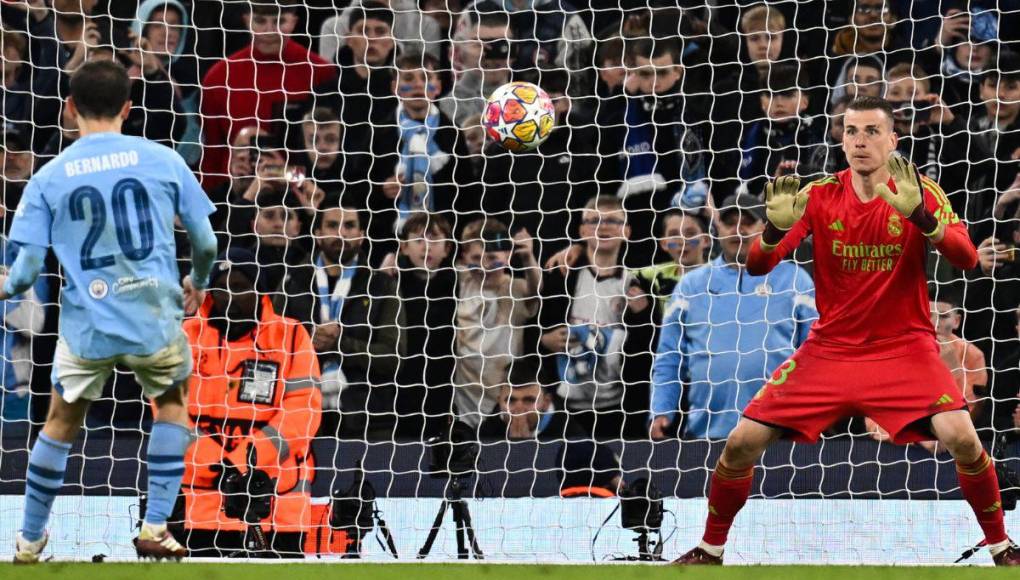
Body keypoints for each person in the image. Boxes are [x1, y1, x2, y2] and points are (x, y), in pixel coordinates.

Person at [673, 96, 1020, 566]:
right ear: (842, 139)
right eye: (851, 131)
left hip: (905, 348)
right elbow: (758, 265)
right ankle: (710, 550)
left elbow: (968, 257)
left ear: (893, 140)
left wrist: (922, 216)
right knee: (739, 444)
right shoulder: (818, 195)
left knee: (962, 438)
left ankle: (1003, 548)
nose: (860, 141)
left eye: (872, 131)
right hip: (829, 350)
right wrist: (774, 231)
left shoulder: (921, 191)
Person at [4, 60, 218, 562]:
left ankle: (30, 541)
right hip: (154, 318)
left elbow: (23, 273)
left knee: (59, 423)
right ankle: (156, 526)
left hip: (87, 328)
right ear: (128, 107)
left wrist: (5, 285)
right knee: (170, 407)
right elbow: (205, 242)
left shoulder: (48, 177)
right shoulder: (164, 159)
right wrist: (198, 282)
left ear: (69, 107)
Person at [178, 247, 321, 557]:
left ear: (260, 291)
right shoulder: (185, 336)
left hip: (276, 500)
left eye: (241, 286)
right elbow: (167, 409)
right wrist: (213, 460)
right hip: (198, 500)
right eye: (223, 286)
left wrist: (245, 460)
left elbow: (303, 410)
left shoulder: (292, 335)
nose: (231, 294)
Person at [650, 195, 816, 441]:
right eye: (730, 222)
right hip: (706, 435)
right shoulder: (690, 286)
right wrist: (662, 411)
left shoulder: (795, 280)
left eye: (747, 222)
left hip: (780, 435)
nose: (738, 230)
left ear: (764, 227)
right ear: (718, 228)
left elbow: (815, 354)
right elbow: (669, 358)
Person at [278, 203, 402, 439]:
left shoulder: (381, 285)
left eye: (350, 225)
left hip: (368, 421)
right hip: (299, 417)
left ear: (362, 234)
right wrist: (308, 343)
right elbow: (272, 348)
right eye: (332, 225)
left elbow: (393, 356)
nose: (341, 233)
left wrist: (340, 344)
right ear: (317, 233)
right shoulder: (291, 282)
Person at [539, 196, 652, 439]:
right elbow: (532, 326)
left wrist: (642, 314)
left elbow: (648, 352)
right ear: (581, 230)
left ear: (627, 231)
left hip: (619, 410)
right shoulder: (561, 276)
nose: (603, 226)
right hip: (566, 409)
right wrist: (543, 341)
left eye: (613, 220)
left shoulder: (639, 284)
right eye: (594, 221)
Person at [199, 0, 336, 189]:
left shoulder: (321, 73)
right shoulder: (218, 77)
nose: (269, 31)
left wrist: (286, 175)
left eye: (279, 21)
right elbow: (212, 158)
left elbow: (329, 163)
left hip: (301, 197)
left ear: (294, 21)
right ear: (247, 21)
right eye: (260, 21)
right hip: (235, 198)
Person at [452, 220, 539, 429]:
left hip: (503, 399)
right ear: (464, 258)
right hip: (465, 398)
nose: (484, 266)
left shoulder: (514, 288)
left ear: (507, 257)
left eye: (491, 258)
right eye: (476, 258)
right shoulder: (460, 282)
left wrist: (528, 257)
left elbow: (536, 287)